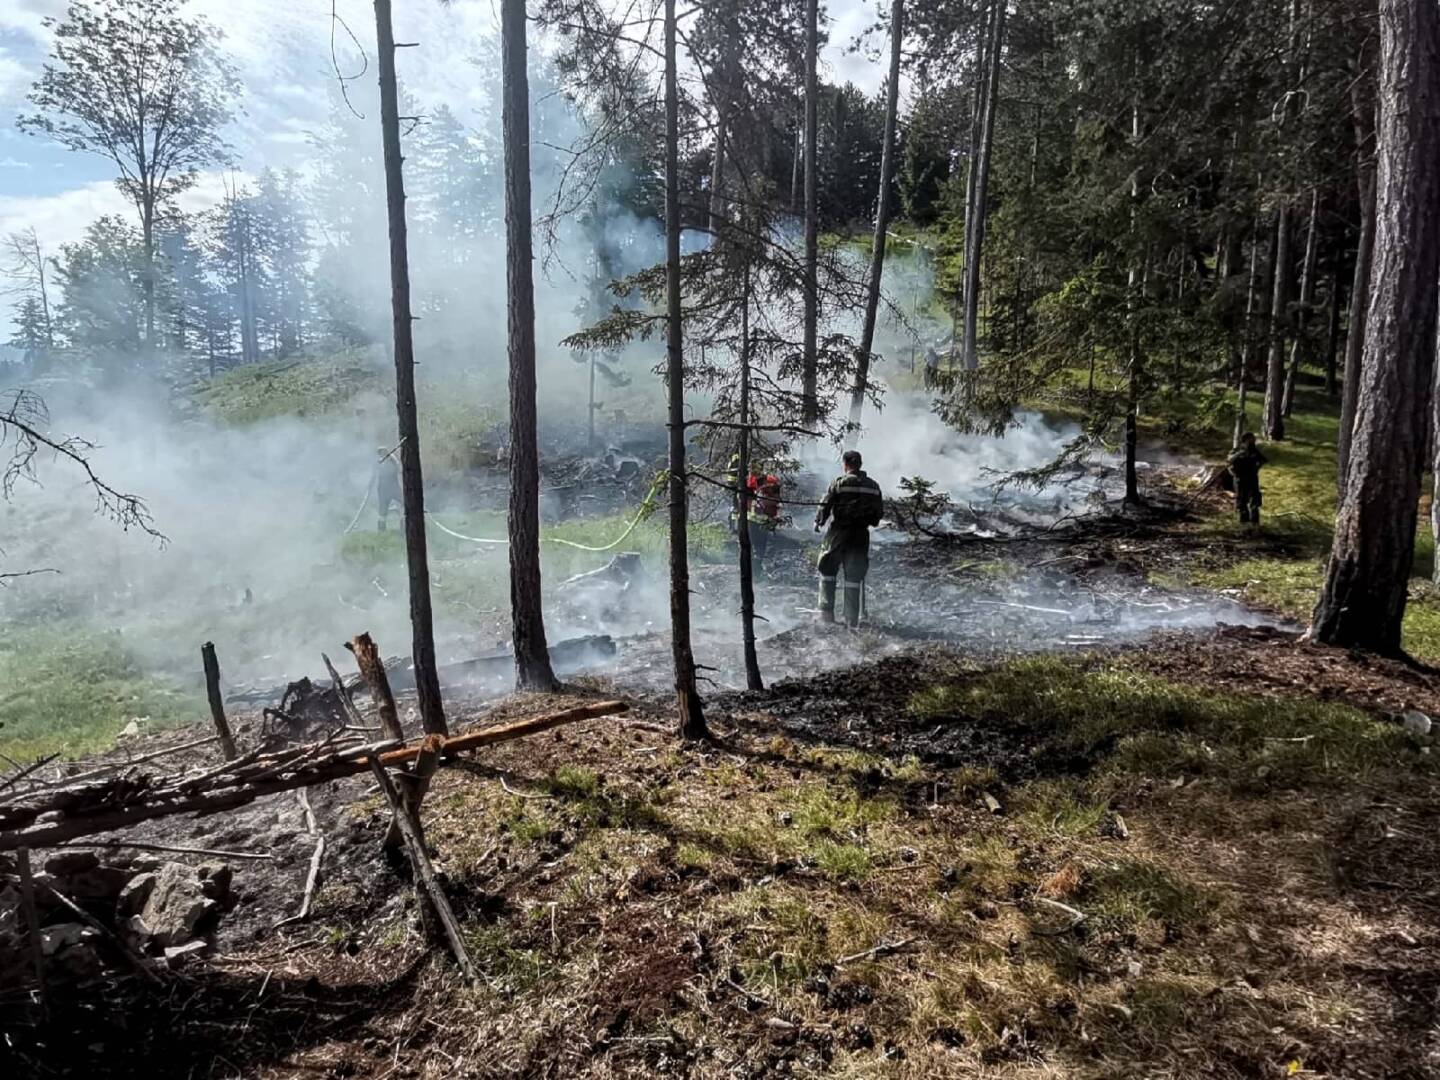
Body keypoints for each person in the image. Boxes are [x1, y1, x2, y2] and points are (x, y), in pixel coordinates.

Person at [814, 450, 885, 627]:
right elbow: (878, 514)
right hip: (860, 535)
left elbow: (825, 505)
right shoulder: (873, 486)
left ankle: (825, 614)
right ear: (860, 464)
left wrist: (819, 521)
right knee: (854, 575)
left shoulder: (839, 483)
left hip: (839, 532)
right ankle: (851, 619)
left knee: (828, 568)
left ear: (845, 464)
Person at [746, 465, 782, 576]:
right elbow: (744, 499)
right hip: (753, 520)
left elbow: (776, 499)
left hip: (763, 521)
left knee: (760, 546)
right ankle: (753, 569)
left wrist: (763, 503)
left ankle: (757, 569)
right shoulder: (749, 482)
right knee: (753, 546)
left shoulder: (771, 482)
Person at [1227, 431, 1266, 528]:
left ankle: (1255, 524)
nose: (1253, 441)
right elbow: (1229, 460)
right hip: (1240, 479)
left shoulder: (1254, 451)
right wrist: (1240, 453)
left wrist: (1256, 468)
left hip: (1252, 478)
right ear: (1245, 440)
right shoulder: (1236, 450)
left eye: (1253, 439)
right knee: (1241, 501)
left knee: (1255, 501)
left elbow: (1263, 460)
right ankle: (1244, 524)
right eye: (1251, 439)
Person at [374, 446, 401, 531]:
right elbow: (375, 473)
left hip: (394, 487)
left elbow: (398, 469)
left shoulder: (392, 459)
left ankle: (404, 524)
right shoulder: (378, 462)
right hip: (383, 489)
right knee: (382, 510)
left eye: (384, 451)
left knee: (405, 503)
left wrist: (390, 459)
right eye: (380, 452)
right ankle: (381, 529)